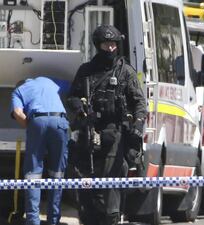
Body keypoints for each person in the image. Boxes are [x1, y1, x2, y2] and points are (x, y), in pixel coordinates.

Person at [67, 25, 147, 225]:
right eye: (106, 44)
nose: (110, 49)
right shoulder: (85, 71)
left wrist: (137, 126)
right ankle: (89, 216)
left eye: (113, 44)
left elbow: (139, 102)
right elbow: (73, 96)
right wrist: (78, 107)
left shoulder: (125, 72)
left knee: (110, 182)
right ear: (98, 46)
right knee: (86, 182)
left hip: (115, 133)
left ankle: (111, 217)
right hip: (88, 130)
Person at [10, 76, 70, 225]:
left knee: (33, 174)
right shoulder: (48, 80)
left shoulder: (18, 91)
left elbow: (18, 112)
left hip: (37, 121)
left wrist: (31, 127)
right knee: (57, 173)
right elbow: (70, 85)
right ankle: (54, 220)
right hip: (60, 121)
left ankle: (33, 221)